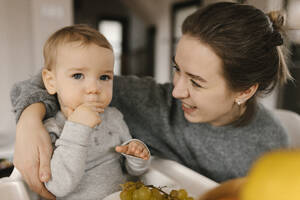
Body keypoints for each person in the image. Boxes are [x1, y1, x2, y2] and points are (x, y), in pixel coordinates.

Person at [10, 2, 292, 199]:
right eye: (176, 69)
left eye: (195, 81)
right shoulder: (148, 101)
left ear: (244, 91)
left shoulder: (269, 146)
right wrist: (29, 122)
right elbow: (51, 79)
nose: (176, 91)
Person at [27, 24, 151, 200]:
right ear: (51, 81)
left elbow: (134, 170)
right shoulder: (52, 129)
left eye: (104, 77)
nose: (94, 88)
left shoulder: (114, 116)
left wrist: (136, 155)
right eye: (78, 75)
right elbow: (57, 187)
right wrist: (77, 127)